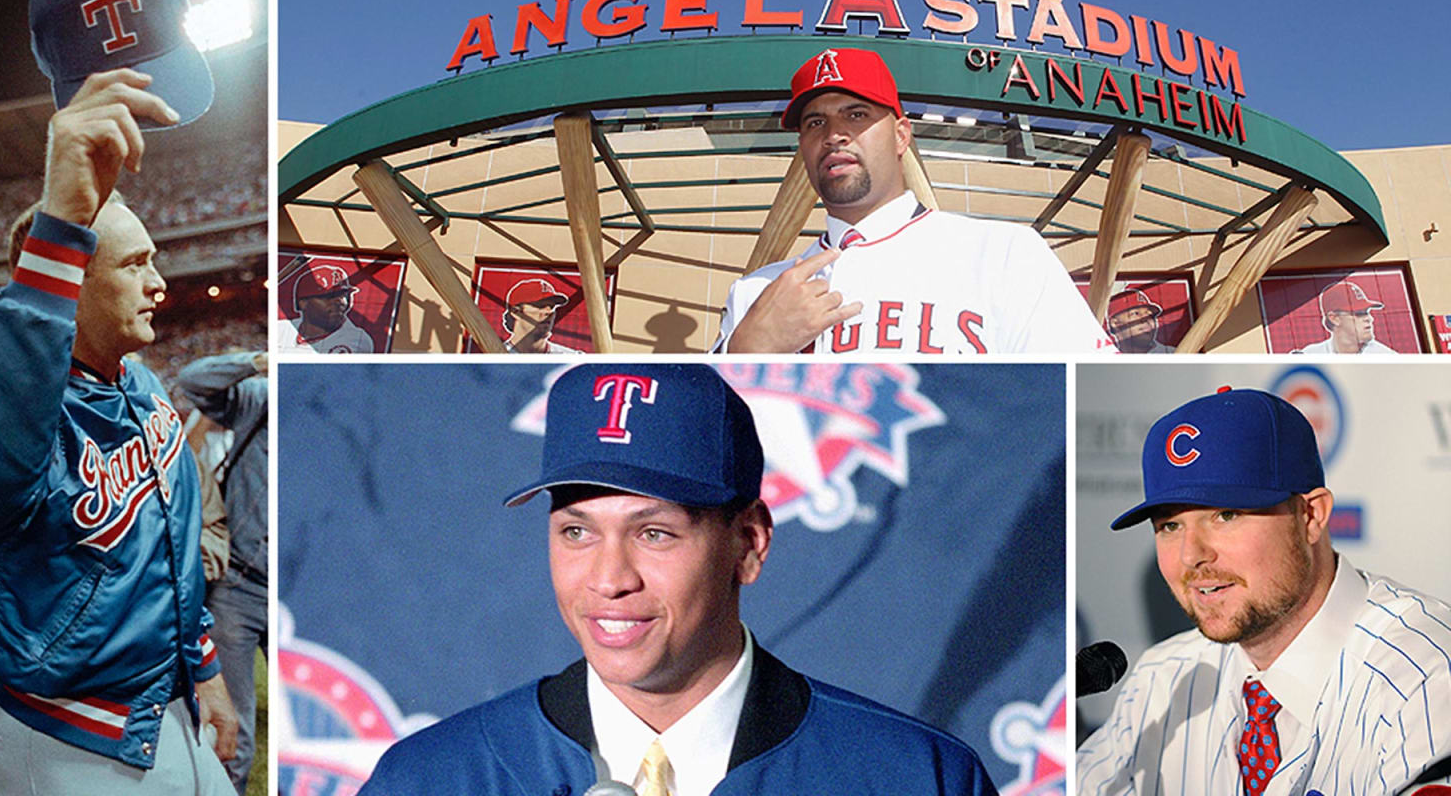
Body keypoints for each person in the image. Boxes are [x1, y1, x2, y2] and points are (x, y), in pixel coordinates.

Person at [359, 363, 997, 795]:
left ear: (748, 543)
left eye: (654, 533)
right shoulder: (432, 777)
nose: (608, 580)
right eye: (577, 532)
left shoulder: (913, 777)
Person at [0, 0, 236, 791]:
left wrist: (202, 670)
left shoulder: (138, 384)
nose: (162, 283)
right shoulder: (15, 390)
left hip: (163, 711)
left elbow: (166, 550)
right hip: (69, 739)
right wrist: (60, 221)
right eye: (135, 265)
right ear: (72, 283)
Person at [1076, 387, 1451, 795]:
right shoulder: (1163, 680)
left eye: (1226, 514)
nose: (1191, 556)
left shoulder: (1426, 677)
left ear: (1311, 516)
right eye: (1170, 526)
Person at [713, 47, 1113, 354]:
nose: (833, 134)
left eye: (856, 115)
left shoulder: (1005, 255)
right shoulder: (753, 294)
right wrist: (748, 350)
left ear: (901, 135)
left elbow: (1084, 401)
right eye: (815, 122)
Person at [177, 351, 269, 795]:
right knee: (234, 730)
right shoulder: (262, 399)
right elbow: (193, 382)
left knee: (311, 714)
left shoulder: (343, 423)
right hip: (240, 586)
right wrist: (256, 360)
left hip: (301, 592)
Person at [276, 264, 376, 353]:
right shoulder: (281, 329)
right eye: (328, 297)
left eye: (342, 296)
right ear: (303, 303)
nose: (339, 302)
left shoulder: (355, 339)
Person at [1295, 281, 1397, 354]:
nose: (1369, 319)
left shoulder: (1386, 358)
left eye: (1367, 312)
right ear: (1334, 318)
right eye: (1359, 313)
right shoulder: (1310, 355)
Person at [501, 277, 580, 353]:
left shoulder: (574, 359)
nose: (549, 312)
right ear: (516, 312)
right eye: (540, 306)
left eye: (552, 307)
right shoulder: (494, 354)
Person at [1104, 289, 1175, 354]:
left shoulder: (1174, 354)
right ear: (1115, 323)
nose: (1146, 319)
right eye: (1136, 314)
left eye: (1150, 316)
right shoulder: (1104, 357)